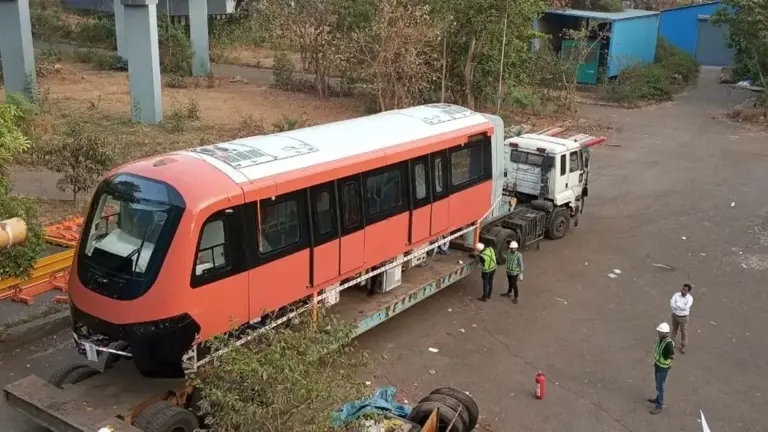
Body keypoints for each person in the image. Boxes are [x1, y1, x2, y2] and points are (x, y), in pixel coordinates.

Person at [648, 322, 675, 415]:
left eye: (661, 332)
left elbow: (672, 356)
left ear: (666, 333)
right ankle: (658, 398)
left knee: (660, 386)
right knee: (658, 384)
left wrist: (666, 358)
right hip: (658, 365)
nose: (659, 333)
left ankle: (659, 405)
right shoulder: (660, 339)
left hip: (663, 368)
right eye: (659, 331)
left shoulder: (668, 344)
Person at [670, 283, 693, 354]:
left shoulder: (690, 298)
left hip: (684, 317)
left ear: (688, 291)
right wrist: (681, 306)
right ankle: (672, 343)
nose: (683, 291)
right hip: (675, 315)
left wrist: (677, 304)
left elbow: (686, 308)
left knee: (684, 332)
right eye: (682, 289)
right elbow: (671, 304)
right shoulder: (676, 295)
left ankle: (683, 346)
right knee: (674, 329)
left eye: (685, 290)